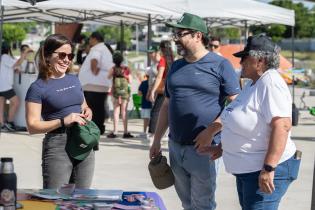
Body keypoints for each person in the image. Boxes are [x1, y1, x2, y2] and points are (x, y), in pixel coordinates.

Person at [149, 13, 240, 210]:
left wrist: (211, 131)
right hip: (175, 146)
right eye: (175, 35)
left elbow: (236, 106)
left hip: (204, 149)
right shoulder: (176, 66)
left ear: (198, 35)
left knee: (203, 204)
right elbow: (167, 105)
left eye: (180, 34)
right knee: (187, 204)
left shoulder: (220, 65)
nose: (176, 40)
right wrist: (157, 139)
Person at [201, 34, 300, 210]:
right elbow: (245, 122)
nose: (240, 63)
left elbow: (282, 126)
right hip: (248, 170)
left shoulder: (270, 82)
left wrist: (268, 168)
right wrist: (222, 147)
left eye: (245, 58)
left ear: (260, 60)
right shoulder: (253, 83)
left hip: (265, 169)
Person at [25, 34, 95, 189]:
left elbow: (83, 104)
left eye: (70, 55)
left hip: (83, 141)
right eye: (62, 55)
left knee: (82, 200)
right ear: (48, 56)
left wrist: (87, 110)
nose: (67, 60)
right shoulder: (38, 88)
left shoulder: (74, 79)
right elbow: (32, 126)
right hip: (58, 145)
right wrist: (63, 120)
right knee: (54, 200)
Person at [78, 31, 113, 135]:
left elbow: (95, 61)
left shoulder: (97, 49)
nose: (89, 41)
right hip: (100, 84)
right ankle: (99, 127)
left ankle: (93, 128)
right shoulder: (105, 49)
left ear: (94, 39)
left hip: (92, 85)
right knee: (100, 107)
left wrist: (94, 70)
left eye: (90, 39)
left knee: (92, 108)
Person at [148, 41, 174, 136]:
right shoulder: (172, 59)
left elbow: (159, 77)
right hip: (171, 87)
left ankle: (152, 133)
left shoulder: (163, 60)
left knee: (156, 111)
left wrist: (153, 90)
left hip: (163, 88)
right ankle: (167, 133)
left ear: (161, 49)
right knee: (168, 111)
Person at [107, 52, 133, 139]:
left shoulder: (113, 69)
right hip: (125, 93)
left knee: (116, 112)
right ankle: (125, 132)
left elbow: (108, 77)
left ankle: (115, 131)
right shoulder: (126, 69)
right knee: (124, 112)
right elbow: (130, 81)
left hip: (115, 93)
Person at [0, 42, 26, 131]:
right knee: (16, 102)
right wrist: (24, 54)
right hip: (5, 86)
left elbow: (11, 67)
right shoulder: (4, 57)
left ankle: (2, 124)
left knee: (1, 104)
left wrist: (15, 70)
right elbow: (17, 63)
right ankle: (10, 122)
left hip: (2, 85)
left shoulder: (2, 58)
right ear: (8, 49)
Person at [138, 71, 152, 140]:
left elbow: (139, 93)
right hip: (153, 104)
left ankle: (144, 131)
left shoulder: (143, 83)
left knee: (146, 119)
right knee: (153, 118)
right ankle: (151, 131)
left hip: (145, 103)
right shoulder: (155, 83)